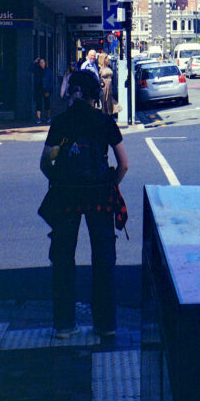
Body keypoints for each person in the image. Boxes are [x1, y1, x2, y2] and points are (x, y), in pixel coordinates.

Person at [39, 69, 128, 338]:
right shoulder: (105, 122)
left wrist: (59, 179)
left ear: (72, 93)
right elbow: (124, 163)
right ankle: (106, 324)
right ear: (94, 95)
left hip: (67, 195)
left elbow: (45, 163)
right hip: (99, 193)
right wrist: (112, 181)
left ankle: (64, 325)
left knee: (64, 256)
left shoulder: (61, 122)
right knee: (103, 257)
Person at [33, 58, 53, 123]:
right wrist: (34, 62)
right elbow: (30, 69)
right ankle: (38, 118)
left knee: (47, 103)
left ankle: (48, 117)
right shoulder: (37, 70)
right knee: (39, 103)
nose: (41, 64)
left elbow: (51, 80)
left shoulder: (48, 70)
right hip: (39, 88)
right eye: (40, 62)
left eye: (43, 62)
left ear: (45, 63)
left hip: (46, 88)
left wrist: (48, 90)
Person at [98, 52, 116, 117]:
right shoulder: (99, 67)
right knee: (104, 100)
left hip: (110, 87)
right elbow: (98, 77)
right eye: (106, 58)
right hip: (104, 87)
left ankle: (110, 113)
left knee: (109, 101)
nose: (108, 60)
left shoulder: (109, 67)